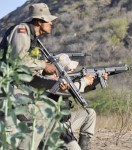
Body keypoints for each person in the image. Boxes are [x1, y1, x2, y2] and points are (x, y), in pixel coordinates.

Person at [0, 3, 59, 150]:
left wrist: (43, 71)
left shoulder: (31, 36)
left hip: (13, 89)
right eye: (48, 20)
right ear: (39, 21)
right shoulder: (22, 31)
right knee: (40, 117)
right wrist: (44, 65)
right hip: (6, 90)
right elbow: (18, 61)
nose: (51, 23)